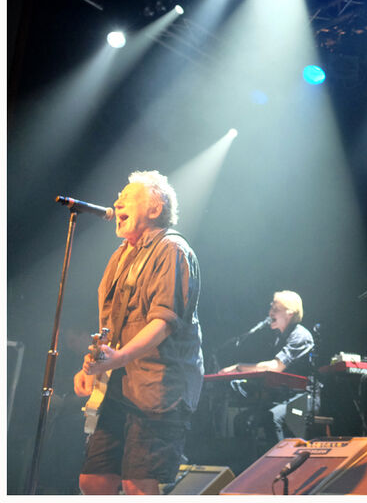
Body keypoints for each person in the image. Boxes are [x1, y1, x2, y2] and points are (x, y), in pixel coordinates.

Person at [73, 170, 203, 495]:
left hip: (158, 390)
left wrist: (117, 358)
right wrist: (94, 366)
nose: (117, 203)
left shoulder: (172, 249)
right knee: (94, 480)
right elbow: (112, 325)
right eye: (118, 198)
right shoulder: (121, 255)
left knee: (138, 485)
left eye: (126, 197)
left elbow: (163, 322)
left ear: (155, 208)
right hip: (118, 385)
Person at [220, 291, 315, 442]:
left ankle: (279, 457)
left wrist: (238, 368)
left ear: (290, 313)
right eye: (271, 308)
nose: (270, 313)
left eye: (275, 309)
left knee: (272, 418)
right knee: (241, 420)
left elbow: (275, 367)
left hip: (305, 397)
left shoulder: (300, 336)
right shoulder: (278, 337)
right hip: (285, 397)